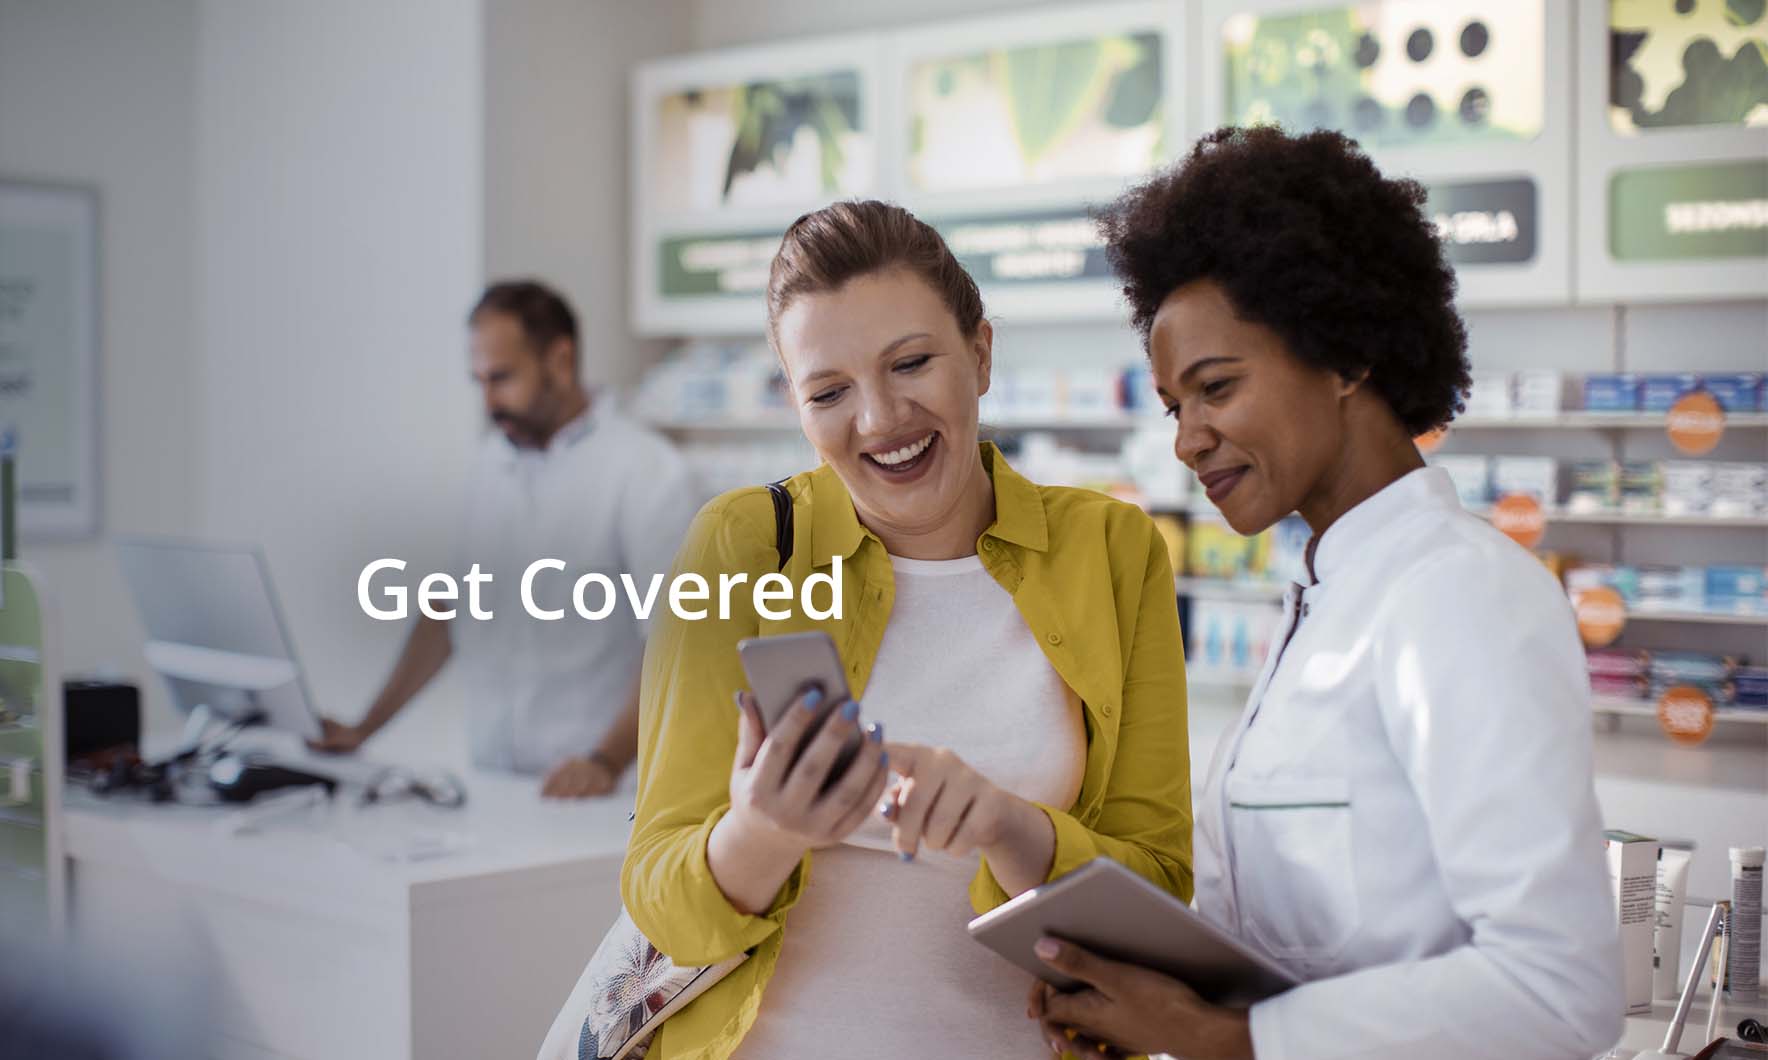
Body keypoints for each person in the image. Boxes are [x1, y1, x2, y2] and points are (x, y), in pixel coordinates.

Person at [1024, 125, 1625, 1060]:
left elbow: (1561, 991)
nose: (1188, 439)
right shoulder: (1327, 598)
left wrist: (1227, 1037)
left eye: (1215, 387)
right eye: (1175, 407)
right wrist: (1147, 999)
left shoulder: (1461, 596)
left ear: (1346, 358)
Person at [620, 200, 1192, 1058]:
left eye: (912, 363)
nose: (881, 420)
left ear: (981, 353)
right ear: (797, 405)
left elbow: (1161, 901)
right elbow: (658, 898)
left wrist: (1009, 825)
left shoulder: (1111, 550)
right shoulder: (740, 546)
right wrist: (762, 831)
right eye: (829, 392)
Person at [311, 280, 700, 798]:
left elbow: (678, 638)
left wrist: (604, 760)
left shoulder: (647, 472)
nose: (489, 402)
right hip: (493, 784)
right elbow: (447, 610)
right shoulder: (489, 464)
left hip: (601, 789)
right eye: (479, 382)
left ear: (560, 360)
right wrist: (365, 727)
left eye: (503, 378)